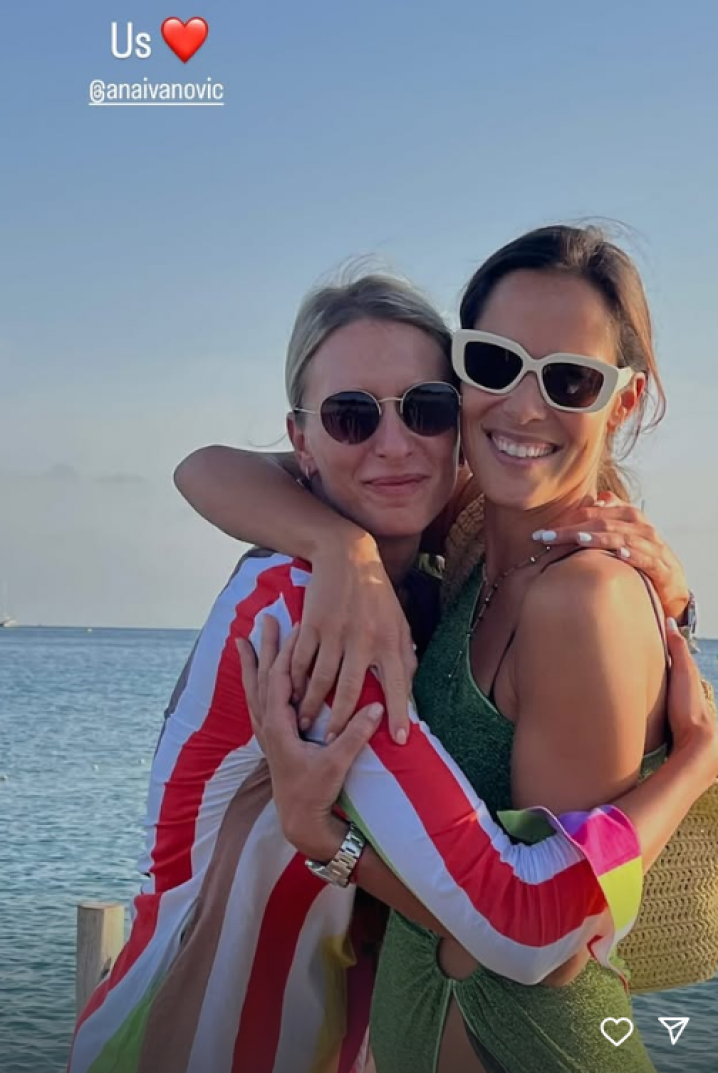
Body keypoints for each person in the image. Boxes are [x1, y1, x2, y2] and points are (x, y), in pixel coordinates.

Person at [68, 271, 714, 1073]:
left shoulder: (436, 575)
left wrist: (673, 605)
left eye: (426, 408)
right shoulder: (309, 619)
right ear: (301, 441)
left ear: (457, 423)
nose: (395, 443)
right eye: (351, 416)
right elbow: (531, 929)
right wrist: (697, 763)